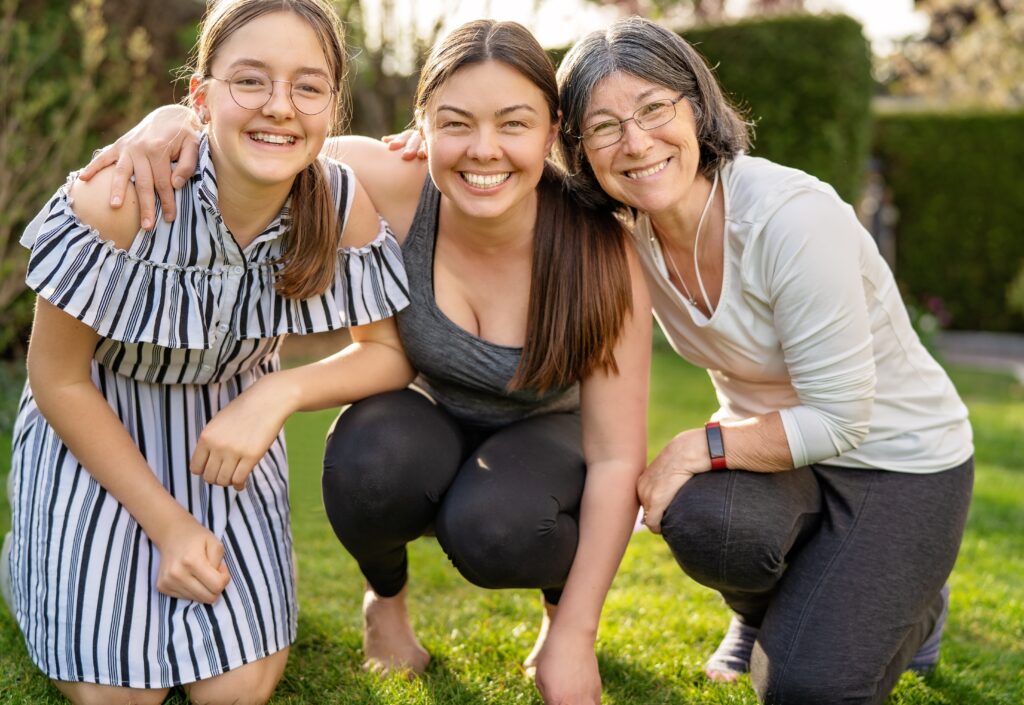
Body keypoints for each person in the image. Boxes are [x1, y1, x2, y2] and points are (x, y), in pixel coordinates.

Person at [81, 19, 652, 705]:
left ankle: (555, 615)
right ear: (422, 123)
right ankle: (386, 600)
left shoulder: (601, 252)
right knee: (367, 458)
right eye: (457, 122)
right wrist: (166, 119)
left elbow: (618, 459)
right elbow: (263, 135)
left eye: (514, 123)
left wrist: (577, 634)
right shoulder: (383, 179)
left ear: (553, 128)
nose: (484, 150)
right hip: (430, 414)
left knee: (497, 525)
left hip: (546, 439)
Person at [554, 16, 975, 705]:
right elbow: (501, 172)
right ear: (580, 145)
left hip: (900, 460)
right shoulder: (624, 233)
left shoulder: (789, 219)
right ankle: (758, 616)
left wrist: (700, 443)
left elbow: (841, 420)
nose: (635, 141)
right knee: (705, 520)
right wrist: (428, 142)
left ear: (696, 105)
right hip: (781, 461)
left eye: (654, 108)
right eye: (603, 127)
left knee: (809, 689)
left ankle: (918, 604)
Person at [2, 1, 413, 704]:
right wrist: (168, 525)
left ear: (332, 105)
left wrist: (275, 393)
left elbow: (387, 355)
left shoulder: (340, 202)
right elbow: (56, 378)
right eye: (250, 81)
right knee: (119, 695)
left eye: (308, 87)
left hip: (224, 435)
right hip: (95, 423)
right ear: (200, 95)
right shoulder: (123, 197)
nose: (280, 107)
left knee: (234, 690)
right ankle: (32, 557)